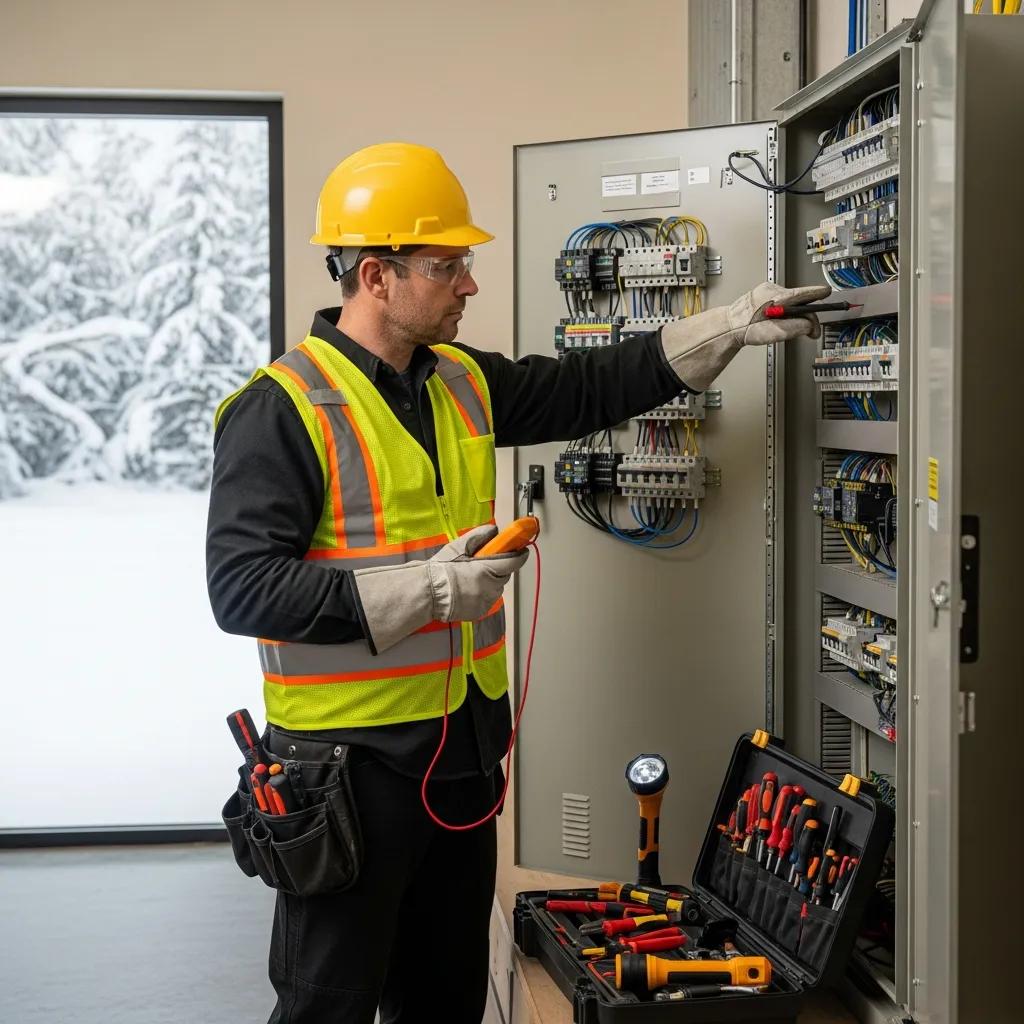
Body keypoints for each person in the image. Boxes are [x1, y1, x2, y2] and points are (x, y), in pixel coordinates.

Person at [205, 141, 828, 1023]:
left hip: (460, 758)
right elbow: (242, 589)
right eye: (447, 264)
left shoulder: (460, 380)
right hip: (349, 776)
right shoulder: (281, 408)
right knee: (326, 1007)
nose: (468, 284)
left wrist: (724, 326)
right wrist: (425, 591)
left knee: (445, 997)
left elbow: (587, 388)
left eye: (466, 264)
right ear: (376, 275)